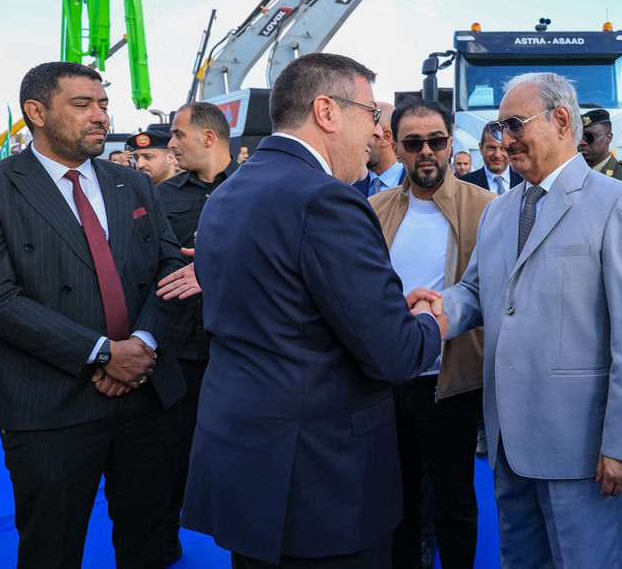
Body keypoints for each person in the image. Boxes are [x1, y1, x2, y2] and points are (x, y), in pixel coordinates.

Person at [180, 53, 445, 569]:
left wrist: (382, 311)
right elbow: (394, 354)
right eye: (372, 114)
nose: (378, 133)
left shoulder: (228, 192)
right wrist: (429, 323)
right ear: (327, 111)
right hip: (320, 480)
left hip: (245, 462)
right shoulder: (327, 200)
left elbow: (285, 310)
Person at [415, 72, 622, 568]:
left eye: (515, 124)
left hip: (581, 446)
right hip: (507, 438)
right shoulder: (499, 211)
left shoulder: (619, 204)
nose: (503, 139)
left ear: (560, 120)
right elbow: (477, 291)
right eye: (499, 127)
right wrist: (439, 310)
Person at [0, 61, 186, 568]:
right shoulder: (1, 187)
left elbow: (170, 267)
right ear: (36, 112)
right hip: (50, 403)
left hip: (147, 394)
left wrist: (142, 344)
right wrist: (102, 354)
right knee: (51, 550)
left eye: (103, 104)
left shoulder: (133, 184)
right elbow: (1, 299)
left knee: (149, 544)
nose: (101, 116)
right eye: (82, 105)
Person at [370, 98, 494, 569]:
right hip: (388, 381)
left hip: (453, 381)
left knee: (454, 501)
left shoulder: (486, 208)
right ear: (397, 147)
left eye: (437, 141)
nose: (427, 151)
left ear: (450, 142)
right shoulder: (374, 209)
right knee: (396, 500)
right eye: (414, 142)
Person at [156, 100, 240, 563]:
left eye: (178, 134)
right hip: (180, 349)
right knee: (171, 452)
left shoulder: (253, 190)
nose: (171, 143)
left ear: (208, 137)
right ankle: (164, 538)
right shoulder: (162, 198)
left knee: (244, 454)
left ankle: (245, 541)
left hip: (240, 349)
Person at [578, 108, 622, 192]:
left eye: (589, 137)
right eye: (578, 137)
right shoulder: (571, 174)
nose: (582, 142)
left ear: (608, 137)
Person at [353, 101, 404, 196]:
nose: (356, 139)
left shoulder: (417, 186)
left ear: (386, 137)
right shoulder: (350, 183)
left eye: (364, 132)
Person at [460, 121, 523, 193]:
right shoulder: (465, 185)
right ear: (481, 148)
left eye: (503, 148)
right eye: (491, 148)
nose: (497, 155)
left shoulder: (525, 181)